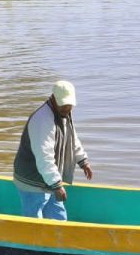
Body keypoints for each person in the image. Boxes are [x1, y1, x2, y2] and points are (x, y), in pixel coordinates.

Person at [12, 80, 93, 220]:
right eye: (63, 105)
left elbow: (71, 139)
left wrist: (82, 160)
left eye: (69, 106)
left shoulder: (64, 113)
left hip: (49, 178)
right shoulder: (42, 120)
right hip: (33, 180)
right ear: (53, 99)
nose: (67, 109)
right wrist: (56, 185)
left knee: (58, 216)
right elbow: (44, 157)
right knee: (33, 219)